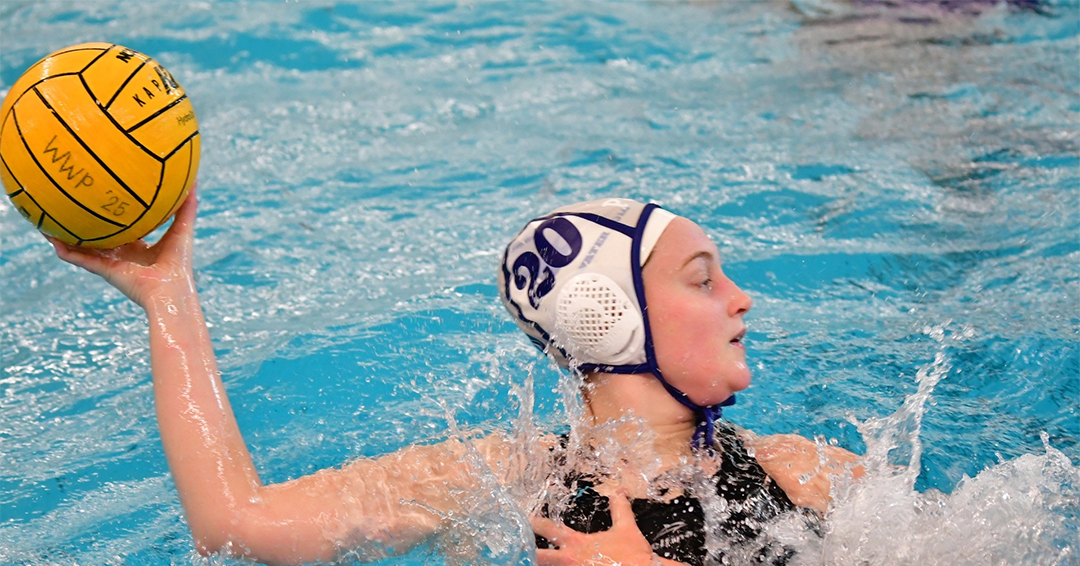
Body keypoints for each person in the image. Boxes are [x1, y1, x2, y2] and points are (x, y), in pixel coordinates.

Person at [51, 191, 863, 566]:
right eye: (700, 278)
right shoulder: (496, 477)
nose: (739, 298)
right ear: (608, 318)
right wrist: (167, 298)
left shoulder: (814, 473)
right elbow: (235, 522)